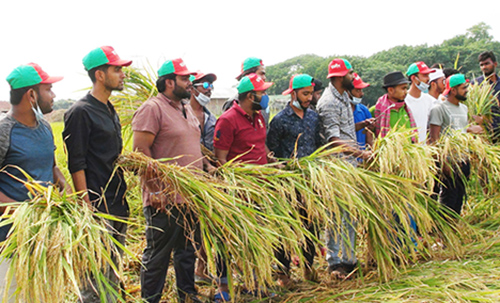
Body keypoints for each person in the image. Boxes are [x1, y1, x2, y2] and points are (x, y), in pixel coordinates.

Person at [132, 58, 206, 303]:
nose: (190, 83)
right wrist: (154, 191)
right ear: (169, 82)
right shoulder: (152, 108)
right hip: (163, 200)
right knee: (158, 255)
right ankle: (150, 299)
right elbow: (141, 152)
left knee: (187, 252)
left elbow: (191, 145)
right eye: (185, 79)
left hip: (189, 196)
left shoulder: (186, 108)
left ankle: (187, 295)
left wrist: (207, 164)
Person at [63, 45, 132, 302]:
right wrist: (86, 206)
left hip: (118, 203)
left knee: (112, 274)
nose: (123, 74)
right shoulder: (80, 112)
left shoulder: (109, 109)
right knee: (94, 281)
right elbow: (76, 162)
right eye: (117, 69)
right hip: (97, 207)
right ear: (100, 75)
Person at [0, 63, 69, 302]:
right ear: (31, 95)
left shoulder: (46, 128)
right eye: (48, 89)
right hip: (11, 239)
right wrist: (21, 211)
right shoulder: (4, 131)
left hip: (45, 235)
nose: (54, 95)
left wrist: (65, 189)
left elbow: (51, 166)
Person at [213, 73, 273, 301]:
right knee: (227, 239)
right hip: (238, 192)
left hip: (261, 189)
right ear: (251, 96)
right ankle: (223, 288)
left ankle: (254, 283)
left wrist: (273, 162)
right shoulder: (227, 120)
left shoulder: (258, 117)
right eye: (263, 93)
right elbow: (221, 159)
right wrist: (236, 187)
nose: (265, 96)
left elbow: (260, 146)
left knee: (256, 237)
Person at [317, 59, 371, 279]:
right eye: (350, 73)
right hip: (336, 167)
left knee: (350, 215)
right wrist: (362, 154)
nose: (353, 76)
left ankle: (349, 259)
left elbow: (345, 130)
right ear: (340, 77)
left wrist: (364, 125)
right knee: (336, 215)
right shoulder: (329, 102)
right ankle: (335, 262)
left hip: (350, 166)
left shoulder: (345, 98)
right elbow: (333, 140)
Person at [266, 74, 321, 287]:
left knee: (311, 226)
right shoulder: (279, 120)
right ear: (293, 93)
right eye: (305, 94)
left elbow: (318, 145)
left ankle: (309, 267)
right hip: (287, 183)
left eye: (310, 93)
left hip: (310, 181)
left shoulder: (314, 118)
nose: (309, 98)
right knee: (285, 228)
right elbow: (271, 150)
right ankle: (283, 274)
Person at [429, 74, 484, 216]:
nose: (466, 90)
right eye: (463, 87)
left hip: (463, 160)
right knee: (448, 198)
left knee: (460, 196)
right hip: (449, 161)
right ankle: (444, 231)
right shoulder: (439, 108)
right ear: (453, 90)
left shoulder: (463, 109)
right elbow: (435, 138)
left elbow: (461, 131)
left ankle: (454, 227)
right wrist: (443, 162)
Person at [221, 57, 270, 126]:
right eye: (261, 74)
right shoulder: (233, 103)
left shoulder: (262, 100)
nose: (264, 78)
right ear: (249, 76)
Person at [373, 71, 416, 139]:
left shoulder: (405, 109)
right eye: (403, 88)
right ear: (390, 90)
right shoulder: (377, 110)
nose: (406, 92)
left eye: (406, 88)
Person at [405, 62, 436, 143]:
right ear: (413, 78)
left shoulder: (430, 101)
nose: (428, 79)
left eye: (428, 75)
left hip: (423, 151)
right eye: (425, 75)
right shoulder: (403, 101)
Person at [475, 51, 500, 142]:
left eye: (487, 64)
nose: (484, 67)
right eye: (481, 65)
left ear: (495, 64)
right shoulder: (476, 85)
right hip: (484, 132)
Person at [190, 71, 217, 152]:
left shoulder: (211, 118)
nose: (209, 89)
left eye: (211, 86)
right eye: (205, 85)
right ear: (192, 89)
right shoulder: (181, 115)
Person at [348, 73, 374, 150]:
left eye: (361, 90)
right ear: (348, 92)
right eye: (357, 90)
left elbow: (369, 134)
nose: (361, 94)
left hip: (362, 157)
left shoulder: (363, 110)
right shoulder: (341, 110)